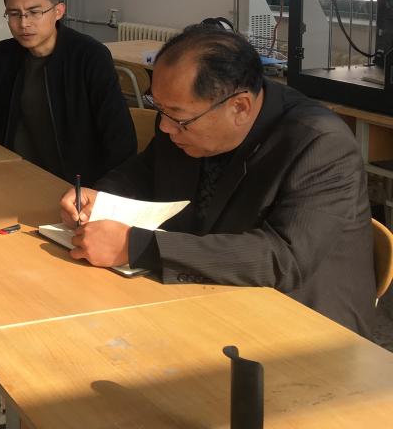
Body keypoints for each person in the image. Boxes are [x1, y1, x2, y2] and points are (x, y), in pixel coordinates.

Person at [60, 24, 376, 336]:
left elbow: (283, 258)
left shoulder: (319, 144)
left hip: (302, 328)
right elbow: (145, 171)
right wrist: (100, 197)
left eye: (178, 118)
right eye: (160, 109)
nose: (166, 127)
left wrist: (136, 247)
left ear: (239, 107)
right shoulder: (182, 118)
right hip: (205, 297)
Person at [0, 0, 135, 185]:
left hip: (70, 185)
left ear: (58, 11)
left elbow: (120, 140)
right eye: (14, 14)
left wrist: (101, 192)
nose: (23, 23)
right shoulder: (4, 54)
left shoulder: (89, 57)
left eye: (34, 13)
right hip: (10, 173)